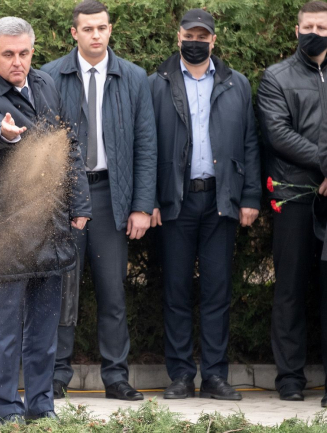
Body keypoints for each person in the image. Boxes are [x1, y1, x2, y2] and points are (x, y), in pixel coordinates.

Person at [0, 17, 92, 424]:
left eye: (23, 53)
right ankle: (6, 409)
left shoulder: (46, 84)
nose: (17, 62)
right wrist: (4, 133)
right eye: (8, 54)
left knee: (44, 329)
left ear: (32, 52)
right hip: (9, 231)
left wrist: (80, 205)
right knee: (5, 330)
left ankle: (42, 406)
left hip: (52, 224)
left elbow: (68, 144)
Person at [42, 0, 157, 401]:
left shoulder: (134, 77)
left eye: (102, 28)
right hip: (65, 198)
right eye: (88, 29)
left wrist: (142, 205)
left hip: (111, 196)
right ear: (74, 33)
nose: (96, 35)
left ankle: (116, 377)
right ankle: (55, 375)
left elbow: (146, 145)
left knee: (112, 291)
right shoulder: (50, 76)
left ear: (110, 30)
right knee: (61, 289)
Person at [149, 9, 260, 400]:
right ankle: (181, 375)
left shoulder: (236, 83)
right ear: (178, 37)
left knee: (217, 291)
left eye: (203, 36)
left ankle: (214, 376)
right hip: (175, 201)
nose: (195, 42)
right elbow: (146, 145)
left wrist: (250, 197)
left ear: (214, 40)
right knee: (176, 291)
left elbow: (250, 142)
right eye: (189, 35)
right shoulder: (157, 83)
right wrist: (149, 200)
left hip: (220, 200)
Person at [258, 0, 327, 405]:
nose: (315, 33)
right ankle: (290, 378)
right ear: (296, 31)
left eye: (322, 26)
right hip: (294, 194)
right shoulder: (276, 76)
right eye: (309, 27)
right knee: (290, 289)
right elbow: (278, 134)